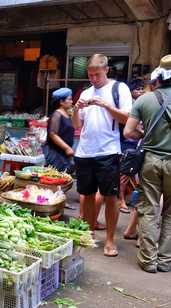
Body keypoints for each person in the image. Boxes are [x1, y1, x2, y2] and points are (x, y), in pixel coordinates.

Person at [72, 54, 132, 257]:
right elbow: (76, 125)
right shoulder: (85, 92)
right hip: (85, 151)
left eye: (97, 74)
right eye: (90, 75)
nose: (94, 79)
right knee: (87, 194)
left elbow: (127, 118)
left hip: (108, 151)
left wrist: (106, 105)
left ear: (107, 70)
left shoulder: (118, 89)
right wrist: (75, 109)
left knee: (110, 196)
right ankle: (89, 233)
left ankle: (109, 239)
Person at [123, 54, 171, 273]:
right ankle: (166, 261)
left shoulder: (145, 99)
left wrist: (145, 132)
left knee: (149, 209)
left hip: (151, 161)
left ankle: (148, 261)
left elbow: (129, 131)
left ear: (158, 76)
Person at [43, 88, 76, 210]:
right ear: (61, 101)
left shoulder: (66, 114)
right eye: (69, 99)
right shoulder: (57, 114)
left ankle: (62, 201)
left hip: (63, 151)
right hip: (55, 151)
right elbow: (53, 134)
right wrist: (66, 147)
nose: (71, 102)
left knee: (64, 176)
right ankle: (53, 202)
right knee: (56, 177)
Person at [118, 78, 145, 214]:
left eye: (142, 89)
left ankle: (123, 199)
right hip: (127, 144)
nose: (141, 91)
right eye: (138, 89)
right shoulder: (130, 106)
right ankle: (121, 200)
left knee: (131, 174)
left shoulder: (141, 103)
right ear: (130, 92)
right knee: (125, 174)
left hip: (136, 144)